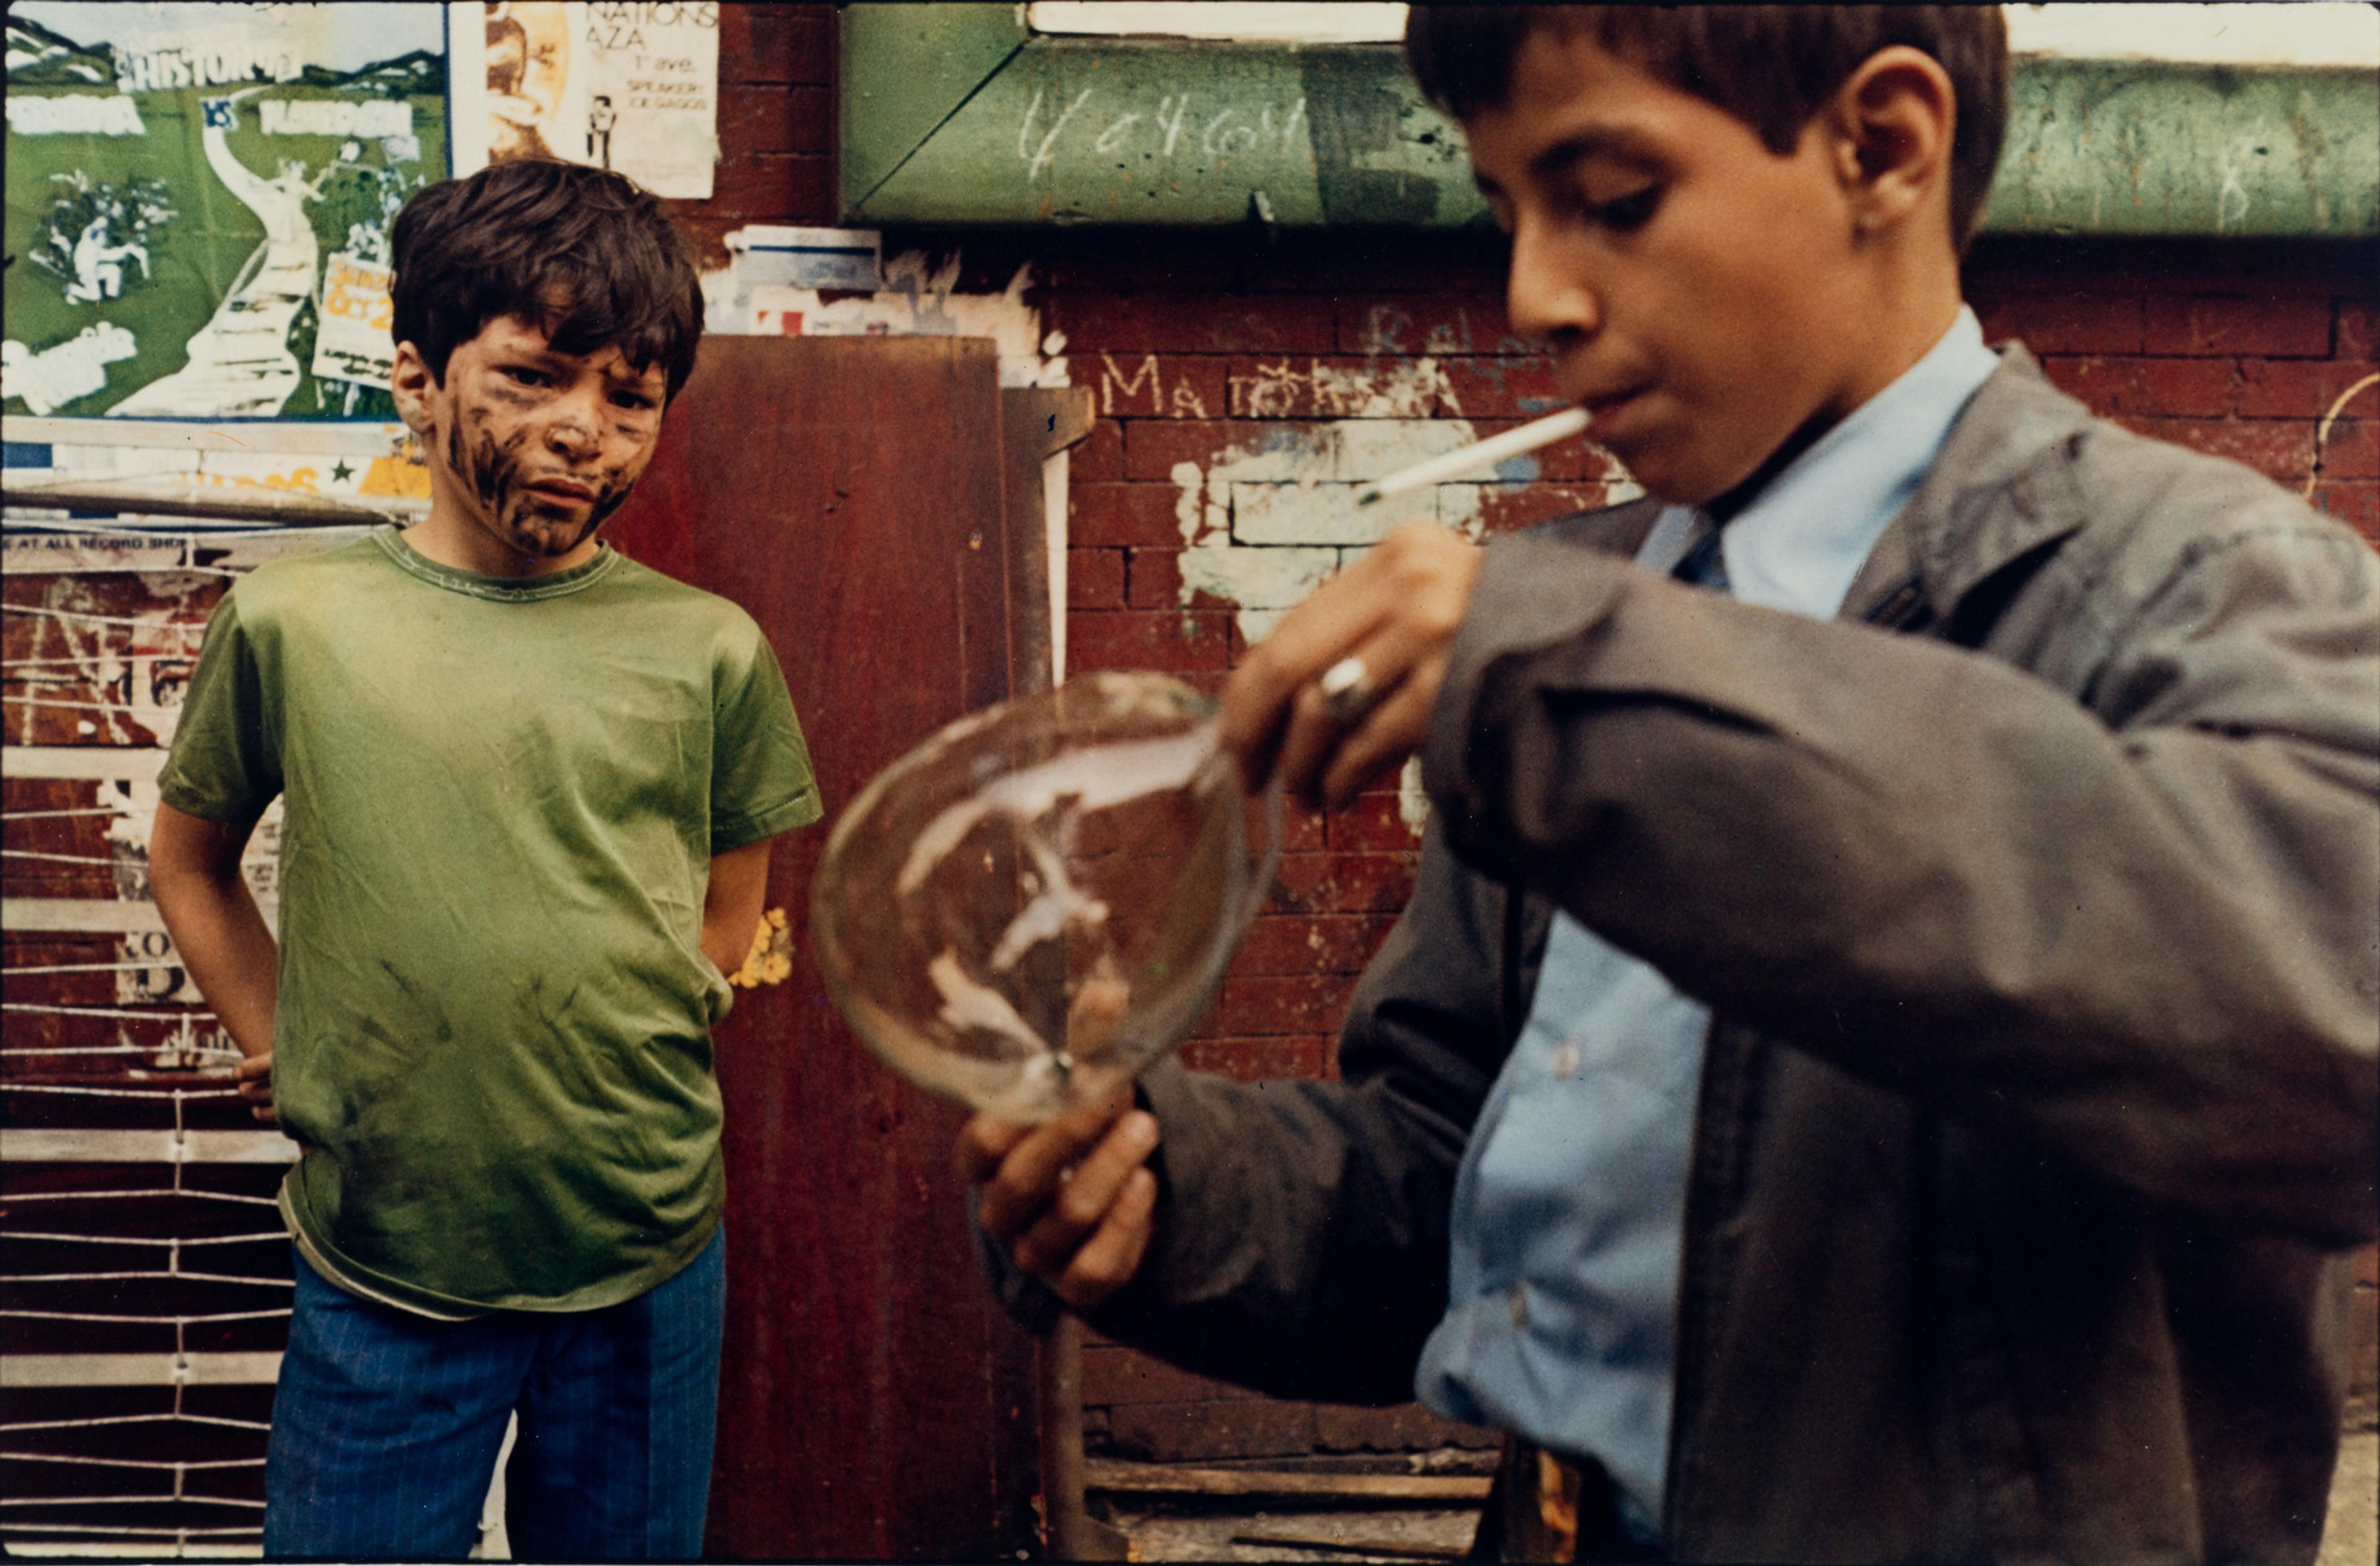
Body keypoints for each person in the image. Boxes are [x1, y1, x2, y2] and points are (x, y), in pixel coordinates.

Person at [959, 8, 2379, 1562]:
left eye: (1614, 200)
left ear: (1882, 147)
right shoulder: (1567, 622)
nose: (1533, 297)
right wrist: (1179, 1193)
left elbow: (2321, 1036)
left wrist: (1587, 686)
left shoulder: (2202, 583)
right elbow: (1472, 1199)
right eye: (1508, 213)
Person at [149, 157, 822, 1560]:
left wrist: (654, 1009)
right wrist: (283, 1032)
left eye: (629, 398)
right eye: (536, 376)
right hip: (385, 1258)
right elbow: (192, 856)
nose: (586, 429)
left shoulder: (710, 648)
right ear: (418, 380)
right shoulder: (296, 623)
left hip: (644, 1254)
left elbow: (735, 885)